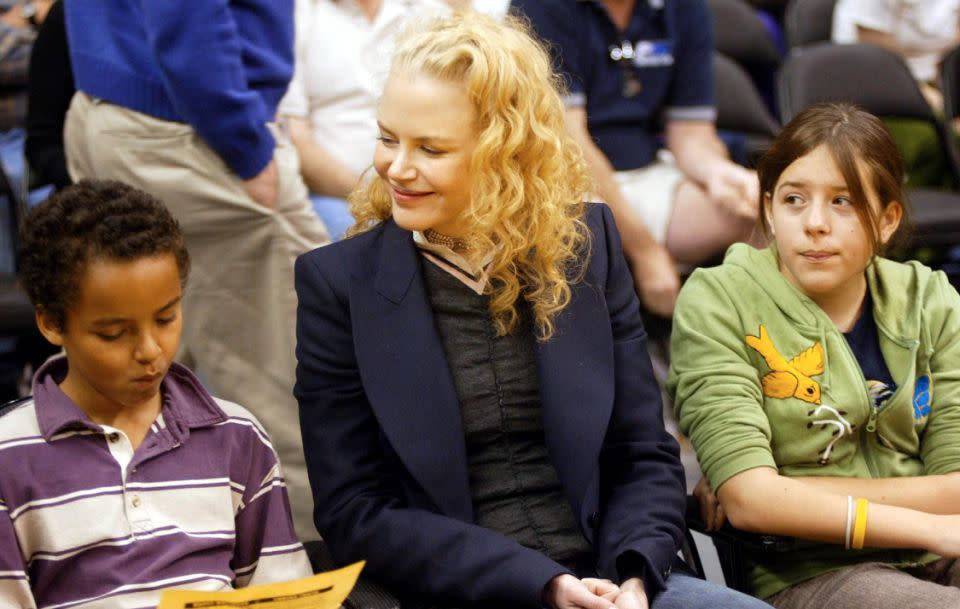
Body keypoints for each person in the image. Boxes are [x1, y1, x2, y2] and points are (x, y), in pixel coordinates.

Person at [295, 12, 771, 609]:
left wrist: (632, 575)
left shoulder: (586, 250)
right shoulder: (338, 285)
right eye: (389, 138)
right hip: (457, 590)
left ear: (505, 152)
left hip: (612, 578)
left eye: (431, 148)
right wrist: (541, 584)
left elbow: (644, 454)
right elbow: (354, 509)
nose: (397, 166)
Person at [669, 102, 960, 608]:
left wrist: (791, 492)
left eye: (843, 201)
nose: (815, 223)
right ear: (768, 211)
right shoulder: (719, 300)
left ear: (888, 218)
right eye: (794, 200)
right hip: (808, 569)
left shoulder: (930, 299)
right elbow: (751, 502)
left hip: (938, 550)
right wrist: (931, 525)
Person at [61, 0, 330, 540]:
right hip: (192, 125)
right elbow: (186, 17)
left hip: (121, 104)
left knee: (121, 378)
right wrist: (247, 146)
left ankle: (112, 567)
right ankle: (306, 573)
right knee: (294, 382)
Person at [2, 179, 312, 607]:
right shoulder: (9, 456)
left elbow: (282, 592)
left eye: (166, 318)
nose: (150, 351)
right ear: (52, 323)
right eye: (114, 334)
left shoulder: (236, 436)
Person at [508, 0, 759, 317]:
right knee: (582, 239)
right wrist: (645, 252)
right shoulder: (540, 7)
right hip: (562, 179)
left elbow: (691, 135)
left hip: (647, 169)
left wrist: (719, 173)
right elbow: (568, 144)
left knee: (759, 206)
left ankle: (748, 344)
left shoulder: (685, 8)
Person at [278, 0, 449, 240]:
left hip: (427, 185)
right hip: (335, 195)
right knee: (369, 242)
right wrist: (376, 198)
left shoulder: (430, 12)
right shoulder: (298, 13)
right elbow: (295, 137)